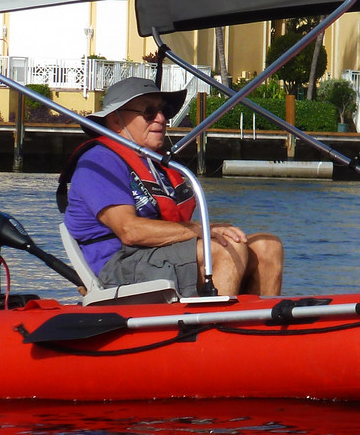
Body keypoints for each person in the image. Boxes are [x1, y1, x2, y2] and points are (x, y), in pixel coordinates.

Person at [58, 77, 283, 296]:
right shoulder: (99, 161)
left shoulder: (156, 164)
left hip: (157, 255)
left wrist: (207, 230)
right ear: (116, 121)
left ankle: (257, 327)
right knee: (223, 249)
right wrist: (202, 229)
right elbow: (130, 231)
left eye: (163, 111)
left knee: (267, 246)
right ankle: (215, 329)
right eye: (149, 112)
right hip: (118, 265)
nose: (161, 118)